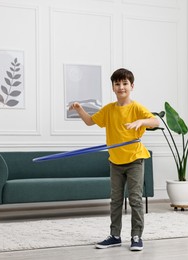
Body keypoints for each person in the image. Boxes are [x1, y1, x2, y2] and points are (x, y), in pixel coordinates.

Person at [69, 68, 159, 251]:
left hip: (135, 159)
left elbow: (155, 121)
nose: (121, 87)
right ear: (113, 87)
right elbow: (90, 121)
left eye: (125, 83)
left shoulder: (136, 108)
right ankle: (115, 236)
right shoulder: (109, 109)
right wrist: (79, 109)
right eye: (117, 84)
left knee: (134, 199)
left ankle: (136, 236)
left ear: (132, 86)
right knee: (115, 200)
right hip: (115, 161)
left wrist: (141, 122)